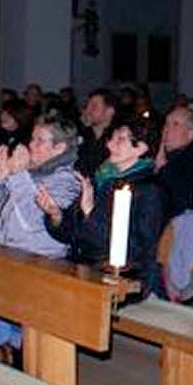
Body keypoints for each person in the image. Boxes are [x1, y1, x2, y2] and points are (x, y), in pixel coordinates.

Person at [0, 115, 81, 364]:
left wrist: (17, 175)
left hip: (40, 261)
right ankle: (15, 339)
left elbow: (35, 222)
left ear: (59, 148)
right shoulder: (27, 169)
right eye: (32, 138)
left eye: (40, 141)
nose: (31, 145)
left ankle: (19, 343)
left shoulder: (67, 180)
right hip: (4, 253)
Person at [40, 117, 164, 299]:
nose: (110, 145)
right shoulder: (102, 178)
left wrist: (90, 212)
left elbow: (134, 249)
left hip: (123, 279)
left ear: (141, 148)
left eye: (120, 139)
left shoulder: (148, 191)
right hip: (84, 268)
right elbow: (70, 235)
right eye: (111, 138)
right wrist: (56, 215)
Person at [154, 107, 193, 221]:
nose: (167, 129)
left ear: (192, 134)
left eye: (175, 125)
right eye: (166, 123)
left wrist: (163, 169)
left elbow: (188, 200)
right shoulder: (158, 153)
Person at [77, 88, 118, 176]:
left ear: (109, 111)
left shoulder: (117, 140)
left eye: (94, 107)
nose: (88, 111)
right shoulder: (82, 135)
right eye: (87, 106)